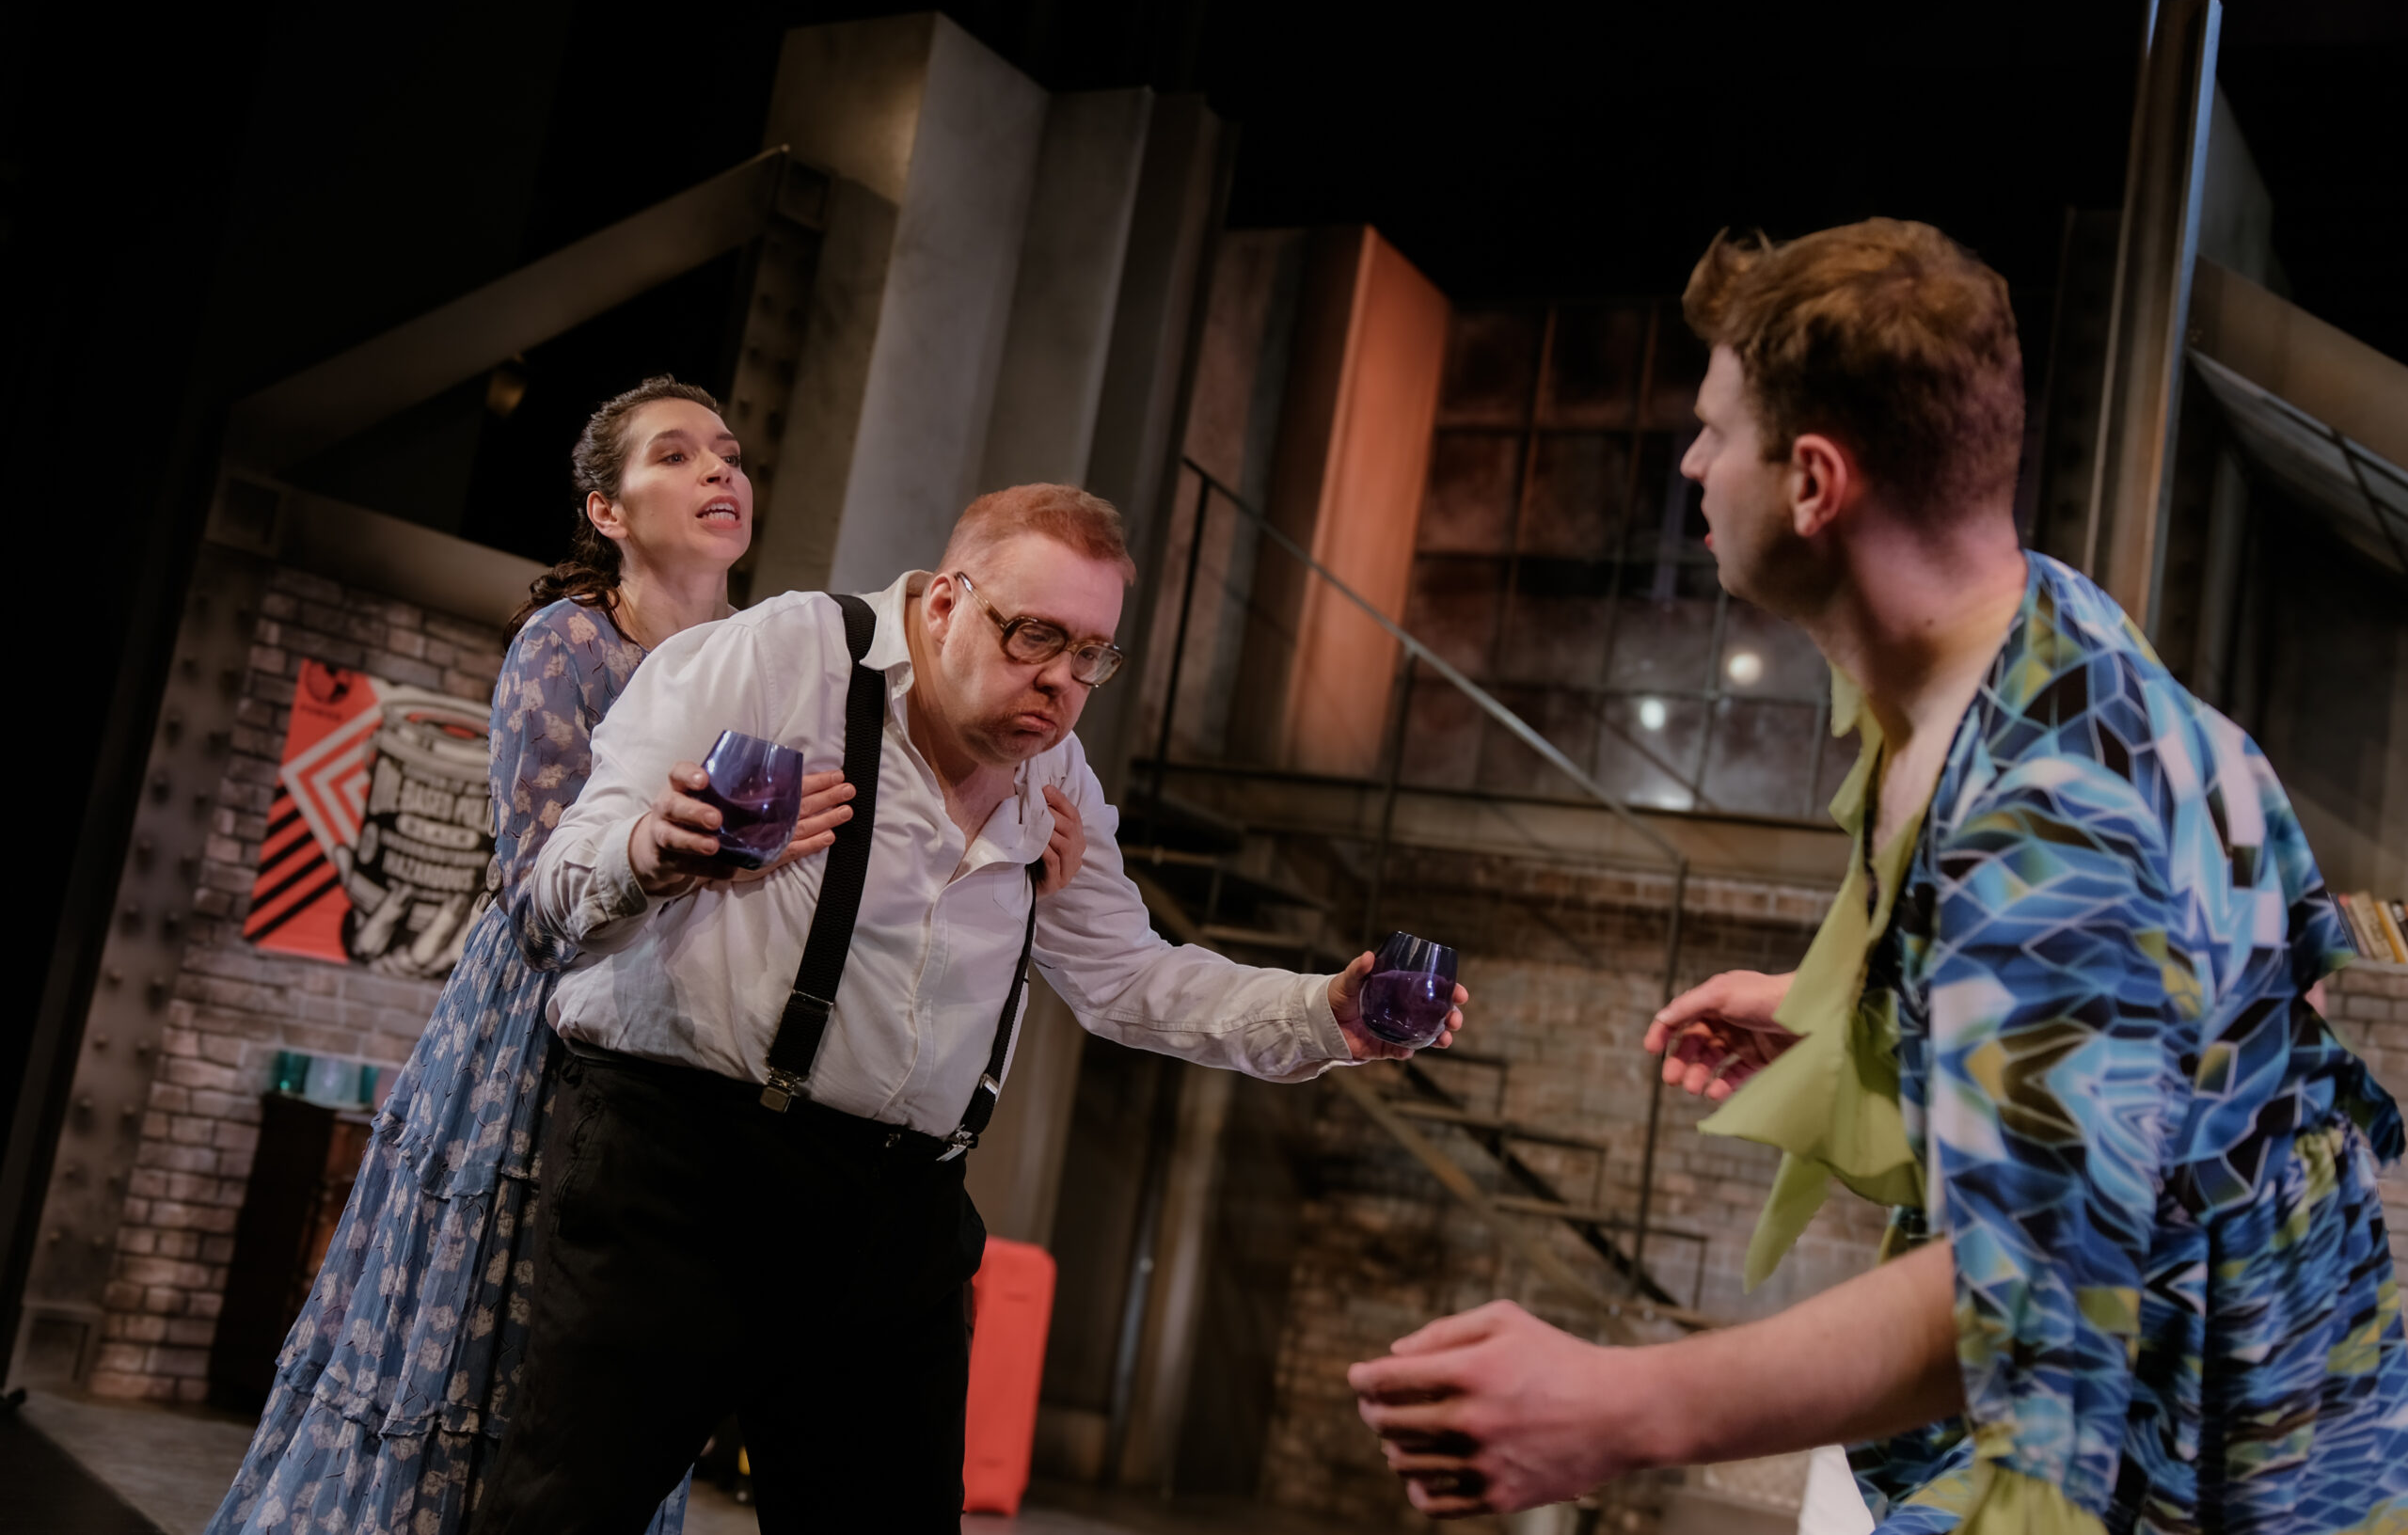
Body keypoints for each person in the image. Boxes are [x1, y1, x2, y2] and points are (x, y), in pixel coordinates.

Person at [1347, 220, 2406, 1531]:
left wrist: (1614, 1406)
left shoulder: (2050, 817)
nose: (1690, 462)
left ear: (1813, 482)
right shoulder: (2029, 631)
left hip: (2187, 1481)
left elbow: (2029, 1291)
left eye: (1714, 431)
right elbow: (2172, 1037)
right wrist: (1873, 1022)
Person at [466, 482, 1468, 1534]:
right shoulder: (777, 658)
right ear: (945, 601)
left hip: (901, 1215)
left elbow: (1127, 976)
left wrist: (1325, 1015)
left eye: (1092, 655)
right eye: (1035, 636)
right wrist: (651, 851)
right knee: (564, 1515)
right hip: (688, 1173)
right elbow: (554, 891)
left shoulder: (1054, 771)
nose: (1061, 680)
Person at [208, 378, 850, 1535]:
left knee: (610, 1395)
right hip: (540, 1037)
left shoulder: (766, 664)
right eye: (675, 455)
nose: (720, 470)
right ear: (608, 510)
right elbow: (534, 885)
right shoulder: (572, 643)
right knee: (484, 1342)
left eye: (727, 451)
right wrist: (695, 856)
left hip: (681, 1037)